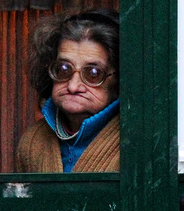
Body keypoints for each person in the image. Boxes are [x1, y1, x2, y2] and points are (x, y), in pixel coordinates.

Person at [15, 10, 120, 172]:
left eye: (93, 73)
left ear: (118, 79)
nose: (73, 86)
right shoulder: (32, 142)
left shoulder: (135, 142)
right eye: (64, 69)